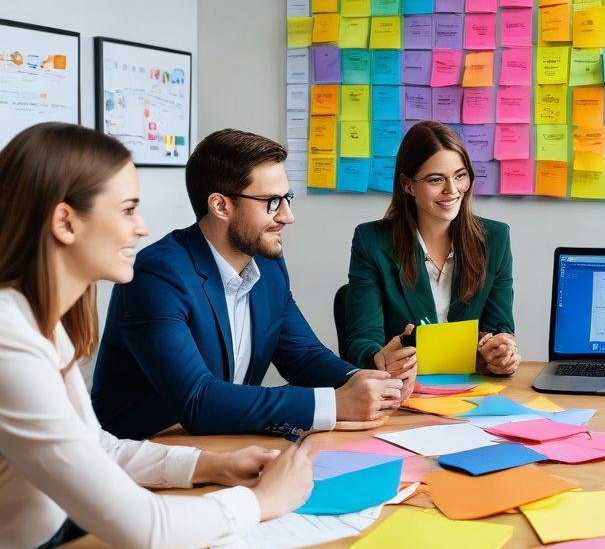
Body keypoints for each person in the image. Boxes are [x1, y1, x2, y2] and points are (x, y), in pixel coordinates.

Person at [0, 123, 312, 549]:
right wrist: (259, 501)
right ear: (65, 222)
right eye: (128, 210)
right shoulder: (11, 341)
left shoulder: (40, 321)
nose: (142, 228)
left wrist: (210, 465)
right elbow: (143, 533)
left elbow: (97, 448)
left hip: (58, 540)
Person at [92, 130, 402, 439]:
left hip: (223, 439)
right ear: (221, 206)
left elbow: (303, 356)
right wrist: (334, 403)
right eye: (272, 202)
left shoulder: (266, 265)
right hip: (145, 449)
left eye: (286, 199)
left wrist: (369, 381)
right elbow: (198, 400)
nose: (287, 216)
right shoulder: (157, 276)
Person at [345, 121, 519, 384]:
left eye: (460, 176)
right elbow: (361, 341)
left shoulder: (495, 239)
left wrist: (500, 350)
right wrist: (378, 358)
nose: (452, 190)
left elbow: (498, 328)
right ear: (408, 185)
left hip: (473, 389)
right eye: (436, 179)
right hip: (400, 389)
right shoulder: (371, 242)